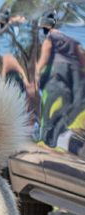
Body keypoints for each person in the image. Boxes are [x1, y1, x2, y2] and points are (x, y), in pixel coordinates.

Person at [35, 12, 85, 147]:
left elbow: (47, 50)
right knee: (74, 105)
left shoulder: (51, 35)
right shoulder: (71, 37)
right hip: (75, 72)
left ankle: (48, 132)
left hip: (59, 69)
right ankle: (56, 131)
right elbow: (81, 56)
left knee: (52, 103)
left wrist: (38, 70)